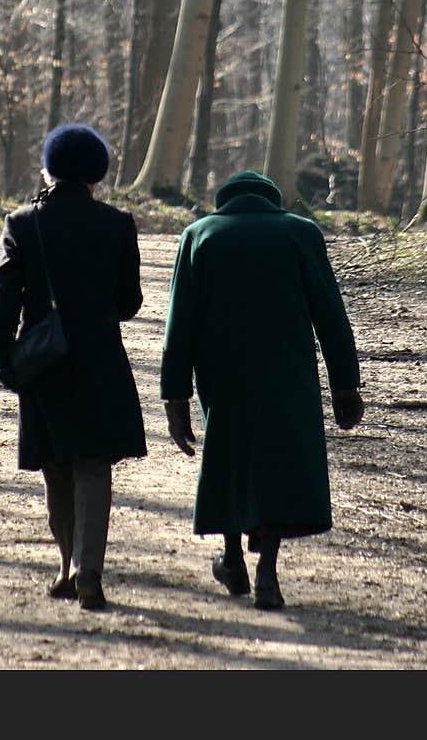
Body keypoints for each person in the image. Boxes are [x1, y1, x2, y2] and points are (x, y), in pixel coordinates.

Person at [160, 170, 363, 610]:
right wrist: (345, 384)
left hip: (222, 372)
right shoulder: (300, 233)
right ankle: (267, 572)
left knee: (229, 456)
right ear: (273, 201)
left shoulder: (200, 234)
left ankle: (232, 559)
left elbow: (181, 321)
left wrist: (175, 394)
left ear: (223, 200)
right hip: (287, 373)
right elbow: (330, 313)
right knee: (276, 463)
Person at [0, 123, 147, 611]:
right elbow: (128, 303)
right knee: (94, 466)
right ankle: (88, 569)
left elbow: (1, 304)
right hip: (101, 359)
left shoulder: (23, 223)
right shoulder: (118, 224)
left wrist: (4, 361)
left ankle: (64, 567)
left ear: (48, 169)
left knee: (56, 467)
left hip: (45, 362)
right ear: (96, 175)